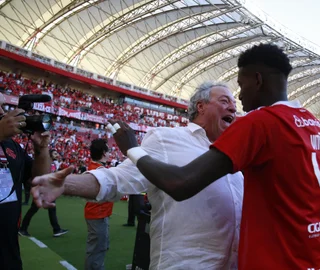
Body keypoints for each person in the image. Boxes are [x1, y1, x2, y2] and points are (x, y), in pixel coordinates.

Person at [108, 44, 320, 269]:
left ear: (258, 80)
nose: (240, 97)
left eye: (241, 86)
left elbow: (181, 184)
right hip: (316, 260)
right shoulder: (313, 125)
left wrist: (133, 149)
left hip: (278, 262)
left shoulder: (261, 122)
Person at [31, 82, 243, 269]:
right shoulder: (167, 139)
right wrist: (66, 184)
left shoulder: (236, 153)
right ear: (201, 106)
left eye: (234, 103)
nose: (233, 107)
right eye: (225, 101)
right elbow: (117, 178)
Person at [0, 92, 51, 270]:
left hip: (8, 249)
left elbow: (39, 179)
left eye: (2, 107)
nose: (2, 113)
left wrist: (41, 150)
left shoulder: (11, 145)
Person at [19, 148, 68, 238]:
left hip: (47, 189)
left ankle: (56, 229)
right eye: (55, 153)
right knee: (35, 209)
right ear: (50, 155)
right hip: (42, 189)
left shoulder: (53, 164)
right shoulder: (46, 164)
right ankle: (23, 228)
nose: (57, 154)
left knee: (47, 209)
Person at [85, 139, 113, 270]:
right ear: (103, 153)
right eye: (108, 151)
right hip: (97, 214)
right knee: (97, 248)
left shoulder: (96, 168)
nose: (109, 154)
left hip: (100, 213)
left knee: (99, 246)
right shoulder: (99, 171)